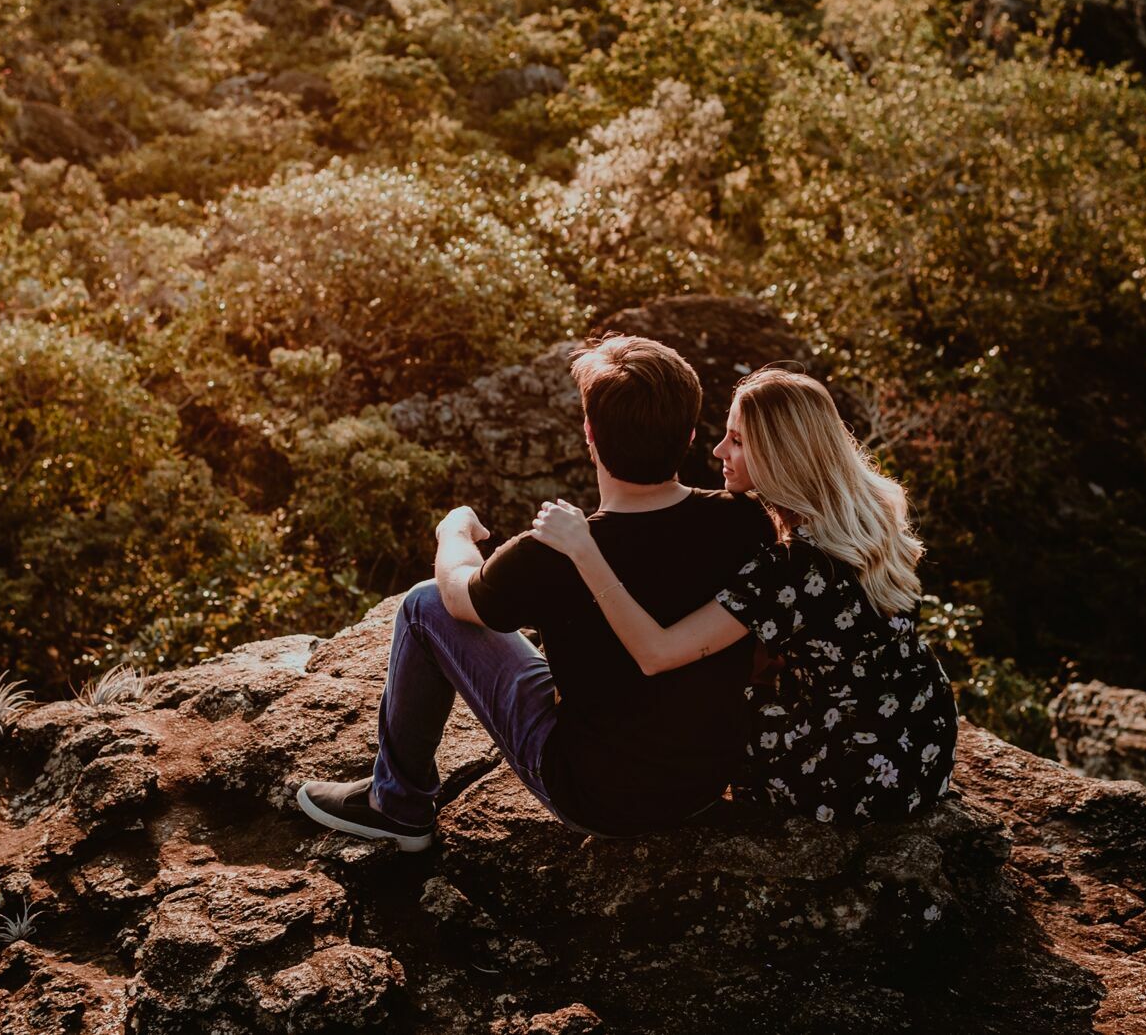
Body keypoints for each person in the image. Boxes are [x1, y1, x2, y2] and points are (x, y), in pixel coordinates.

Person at [297, 335, 776, 849]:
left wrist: (453, 531)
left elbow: (456, 596)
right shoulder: (744, 520)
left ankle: (396, 804)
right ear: (688, 435)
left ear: (589, 433)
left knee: (422, 604)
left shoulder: (553, 551)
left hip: (599, 798)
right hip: (704, 782)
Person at [530, 367, 957, 826]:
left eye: (737, 440)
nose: (718, 451)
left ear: (779, 453)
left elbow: (657, 653)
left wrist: (584, 550)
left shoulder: (794, 566)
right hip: (925, 735)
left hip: (855, 769)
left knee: (704, 711)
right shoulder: (871, 508)